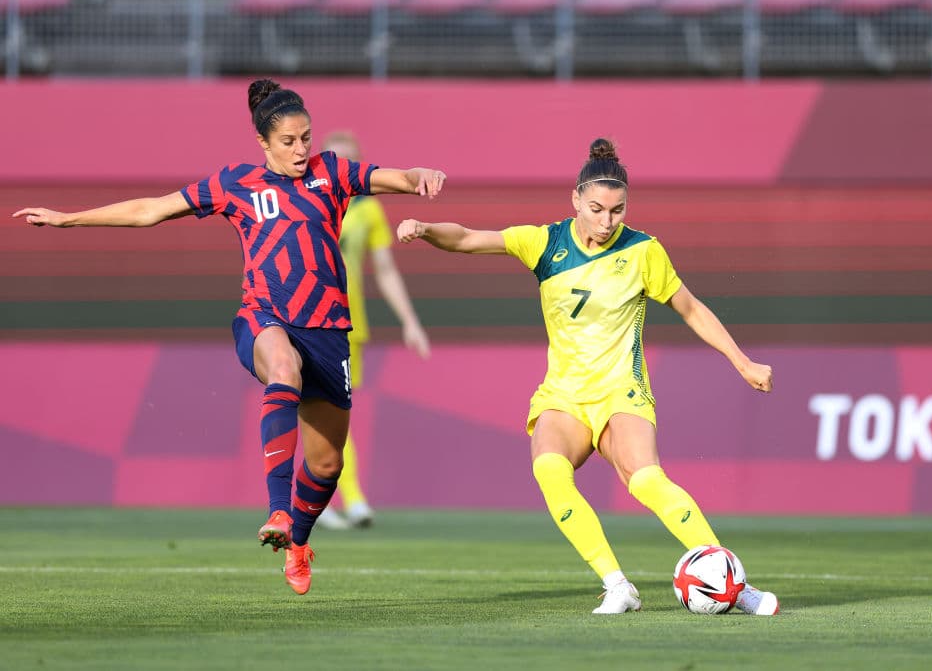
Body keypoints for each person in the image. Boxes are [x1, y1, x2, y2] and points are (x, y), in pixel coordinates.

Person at [13, 79, 446, 597]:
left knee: (328, 465)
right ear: (263, 143)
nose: (301, 149)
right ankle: (278, 510)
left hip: (329, 330)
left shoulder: (332, 171)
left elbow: (392, 176)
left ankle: (299, 541)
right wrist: (69, 220)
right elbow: (151, 210)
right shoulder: (234, 183)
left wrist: (419, 175)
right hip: (263, 318)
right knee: (281, 369)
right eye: (288, 141)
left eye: (306, 138)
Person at [396, 138, 778, 616]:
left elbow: (690, 308)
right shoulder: (544, 243)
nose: (606, 221)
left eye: (617, 211)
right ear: (575, 198)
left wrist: (742, 362)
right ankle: (617, 585)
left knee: (645, 480)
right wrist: (426, 228)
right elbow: (471, 238)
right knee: (549, 469)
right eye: (596, 208)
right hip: (564, 394)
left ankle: (735, 586)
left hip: (622, 390)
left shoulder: (643, 251)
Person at [316, 130, 431, 530]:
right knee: (312, 410)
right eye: (332, 158)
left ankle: (336, 498)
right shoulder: (301, 201)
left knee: (336, 414)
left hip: (348, 324)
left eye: (349, 160)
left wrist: (409, 321)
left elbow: (384, 270)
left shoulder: (366, 211)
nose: (339, 168)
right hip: (304, 318)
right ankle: (342, 498)